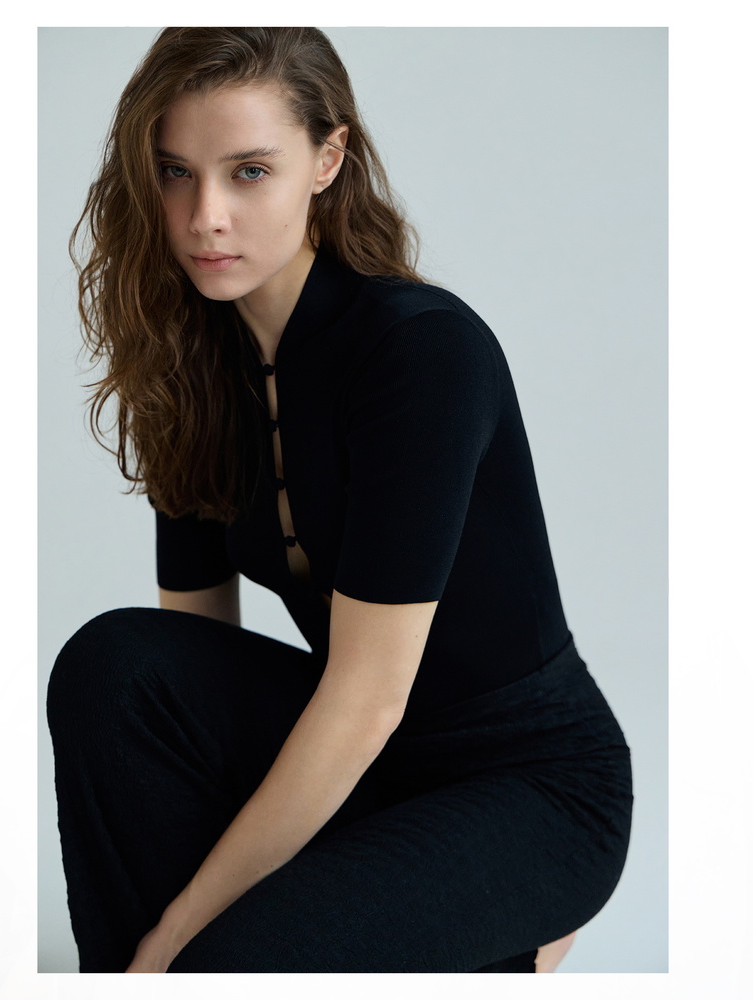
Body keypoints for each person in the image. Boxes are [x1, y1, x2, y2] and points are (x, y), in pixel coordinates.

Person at [46, 26, 633, 974]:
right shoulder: (192, 363)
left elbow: (366, 700)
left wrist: (179, 935)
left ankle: (499, 924)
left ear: (327, 160)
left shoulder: (421, 352)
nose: (204, 218)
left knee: (215, 962)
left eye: (249, 172)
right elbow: (185, 660)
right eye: (174, 173)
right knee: (115, 664)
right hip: (360, 766)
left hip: (524, 784)